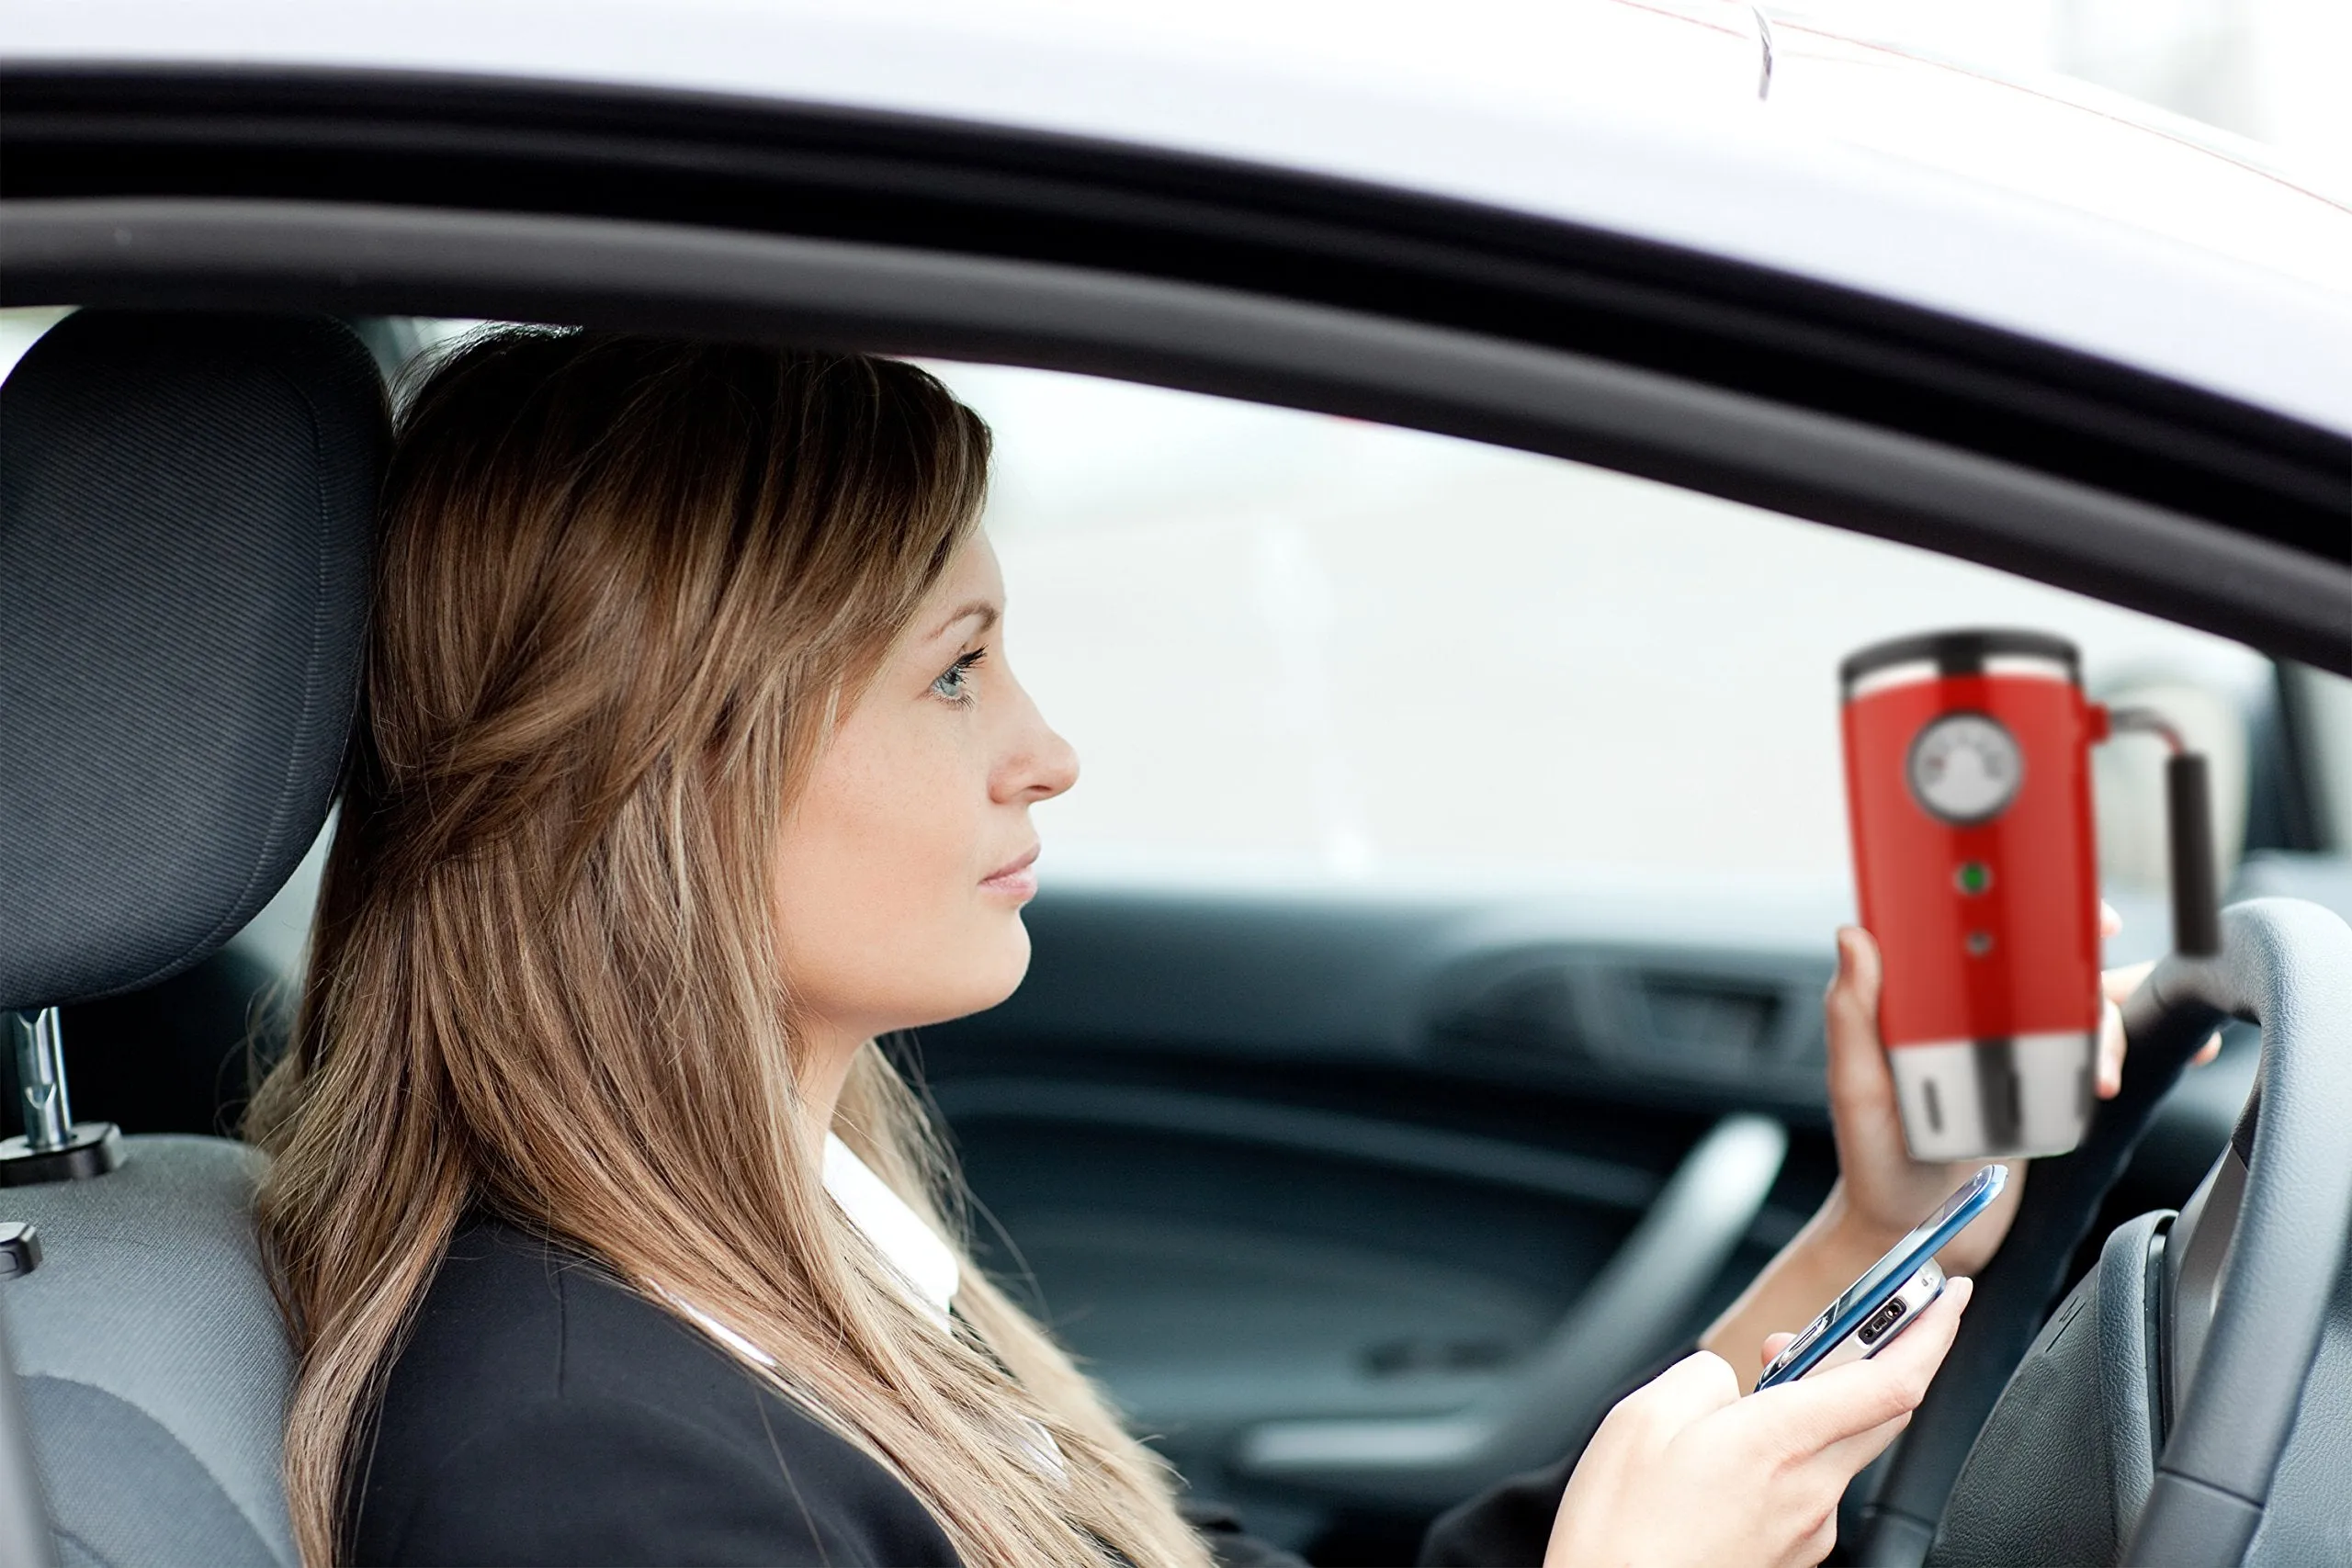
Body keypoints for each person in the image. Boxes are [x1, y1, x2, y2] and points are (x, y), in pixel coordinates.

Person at [250, 329, 2165, 1568]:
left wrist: (1871, 1231)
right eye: (954, 671)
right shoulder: (579, 1465)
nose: (1046, 750)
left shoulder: (790, 1270)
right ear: (672, 777)